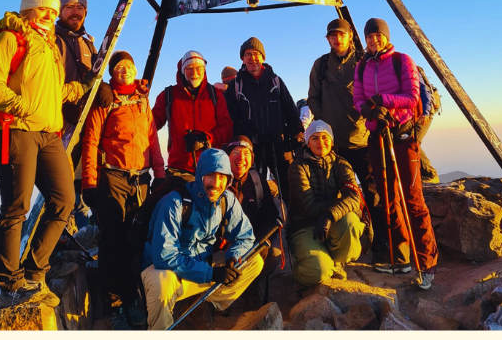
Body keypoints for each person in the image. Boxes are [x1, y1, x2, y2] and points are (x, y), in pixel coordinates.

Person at [0, 0, 88, 310]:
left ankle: (34, 273)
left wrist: (85, 88)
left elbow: (53, 90)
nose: (50, 15)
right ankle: (10, 285)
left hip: (47, 133)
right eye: (44, 9)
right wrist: (20, 105)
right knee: (16, 208)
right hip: (16, 131)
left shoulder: (48, 46)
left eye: (53, 12)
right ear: (28, 9)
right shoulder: (11, 36)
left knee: (64, 200)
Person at [80, 49, 164, 326]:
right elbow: (90, 142)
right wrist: (90, 182)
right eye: (119, 67)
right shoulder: (104, 100)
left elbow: (152, 137)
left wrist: (159, 173)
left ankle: (132, 299)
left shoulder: (142, 100)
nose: (125, 70)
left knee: (135, 240)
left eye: (129, 66)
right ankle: (114, 305)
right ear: (112, 73)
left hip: (140, 179)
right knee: (112, 242)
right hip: (112, 179)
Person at [352, 17, 438, 286]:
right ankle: (400, 259)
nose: (374, 40)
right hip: (377, 136)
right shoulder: (362, 66)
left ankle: (427, 264)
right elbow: (357, 98)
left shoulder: (402, 60)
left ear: (386, 37)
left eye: (378, 35)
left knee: (413, 199)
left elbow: (412, 98)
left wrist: (382, 101)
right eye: (369, 37)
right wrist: (366, 109)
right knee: (389, 199)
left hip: (401, 135)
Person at [141, 147, 266, 330]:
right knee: (162, 283)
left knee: (254, 261)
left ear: (228, 179)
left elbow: (246, 237)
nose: (216, 183)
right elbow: (164, 257)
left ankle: (200, 305)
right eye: (211, 175)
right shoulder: (174, 202)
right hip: (167, 271)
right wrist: (211, 274)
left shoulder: (226, 200)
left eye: (222, 177)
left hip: (200, 267)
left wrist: (233, 258)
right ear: (200, 176)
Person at [286, 119, 367, 290]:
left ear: (331, 141)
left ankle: (336, 262)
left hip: (330, 222)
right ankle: (301, 272)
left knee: (351, 221)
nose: (320, 142)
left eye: (325, 137)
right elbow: (308, 206)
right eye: (314, 138)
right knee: (318, 272)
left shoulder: (341, 164)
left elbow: (354, 198)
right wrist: (338, 205)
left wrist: (330, 215)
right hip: (304, 227)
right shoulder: (298, 167)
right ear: (307, 142)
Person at [223, 36, 302, 202]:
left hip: (279, 145)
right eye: (248, 55)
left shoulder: (275, 81)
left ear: (263, 57)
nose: (253, 58)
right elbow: (233, 118)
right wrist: (250, 136)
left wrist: (296, 135)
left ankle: (293, 224)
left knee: (289, 187)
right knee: (254, 188)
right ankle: (260, 224)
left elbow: (290, 110)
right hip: (253, 148)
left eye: (256, 54)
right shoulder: (236, 86)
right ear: (243, 59)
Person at [307, 16, 372, 210]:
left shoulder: (364, 62)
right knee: (337, 194)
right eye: (332, 35)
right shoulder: (321, 65)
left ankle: (378, 237)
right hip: (334, 146)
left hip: (363, 142)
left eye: (341, 34)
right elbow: (313, 97)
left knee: (372, 193)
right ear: (327, 39)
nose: (337, 39)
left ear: (350, 36)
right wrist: (325, 121)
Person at [151, 51, 233, 175]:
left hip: (210, 166)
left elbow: (227, 128)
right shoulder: (168, 95)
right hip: (178, 168)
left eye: (198, 68)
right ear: (183, 71)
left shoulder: (215, 95)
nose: (194, 73)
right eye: (189, 68)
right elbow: (150, 124)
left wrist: (206, 139)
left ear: (204, 70)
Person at [226, 134, 284, 274]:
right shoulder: (219, 183)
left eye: (246, 153)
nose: (241, 158)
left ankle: (252, 287)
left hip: (253, 239)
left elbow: (271, 217)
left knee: (274, 252)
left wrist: (261, 243)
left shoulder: (257, 181)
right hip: (226, 244)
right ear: (226, 157)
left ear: (252, 159)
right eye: (235, 153)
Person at [55, 0, 97, 135]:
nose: (75, 12)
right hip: (53, 124)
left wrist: (103, 88)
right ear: (59, 11)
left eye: (80, 8)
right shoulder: (49, 40)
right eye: (69, 7)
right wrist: (63, 107)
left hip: (82, 122)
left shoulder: (89, 45)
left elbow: (94, 76)